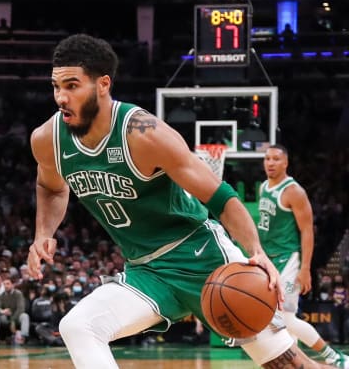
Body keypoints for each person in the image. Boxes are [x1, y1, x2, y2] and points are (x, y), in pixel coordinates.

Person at [26, 33, 345, 368]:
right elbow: (50, 188)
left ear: (103, 84)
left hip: (202, 259)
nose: (61, 96)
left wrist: (256, 251)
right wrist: (43, 233)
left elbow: (222, 198)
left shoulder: (144, 134)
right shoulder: (48, 140)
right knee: (78, 326)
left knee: (292, 367)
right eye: (56, 86)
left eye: (72, 86)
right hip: (145, 271)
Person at [259, 145, 346, 365]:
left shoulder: (293, 191)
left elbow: (307, 230)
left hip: (288, 259)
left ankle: (334, 357)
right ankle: (296, 362)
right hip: (270, 261)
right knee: (281, 319)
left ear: (285, 163)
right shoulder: (263, 187)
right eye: (267, 158)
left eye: (276, 159)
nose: (270, 163)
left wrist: (305, 268)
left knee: (286, 317)